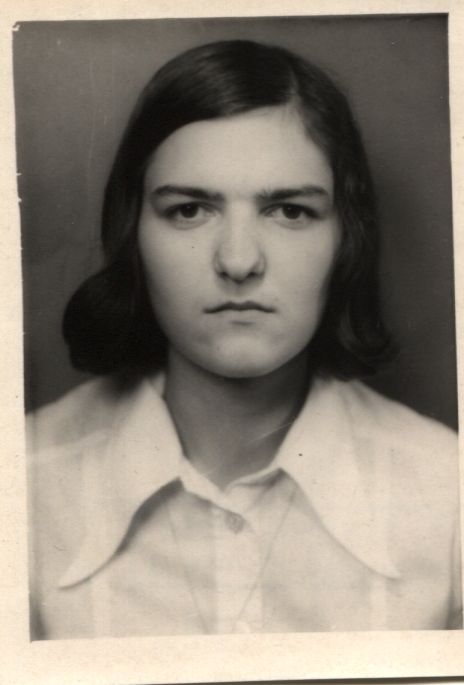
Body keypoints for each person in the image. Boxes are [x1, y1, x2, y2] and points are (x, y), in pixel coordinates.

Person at [27, 39, 461, 639]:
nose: (238, 261)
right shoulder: (22, 484)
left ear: (347, 238)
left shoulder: (449, 493)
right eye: (189, 210)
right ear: (131, 233)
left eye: (289, 211)